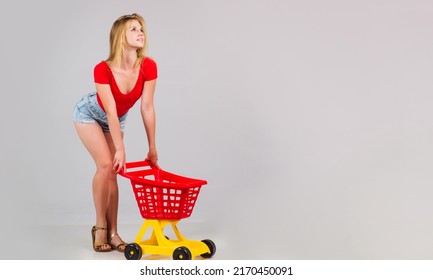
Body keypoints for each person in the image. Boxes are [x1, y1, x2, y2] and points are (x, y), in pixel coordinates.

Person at [73, 13, 159, 252]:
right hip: (89, 114)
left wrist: (152, 147)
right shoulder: (102, 69)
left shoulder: (148, 66)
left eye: (141, 28)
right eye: (133, 29)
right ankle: (100, 227)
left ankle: (113, 233)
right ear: (121, 36)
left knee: (114, 172)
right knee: (105, 165)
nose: (140, 32)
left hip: (115, 120)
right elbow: (110, 111)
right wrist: (120, 148)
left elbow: (147, 107)